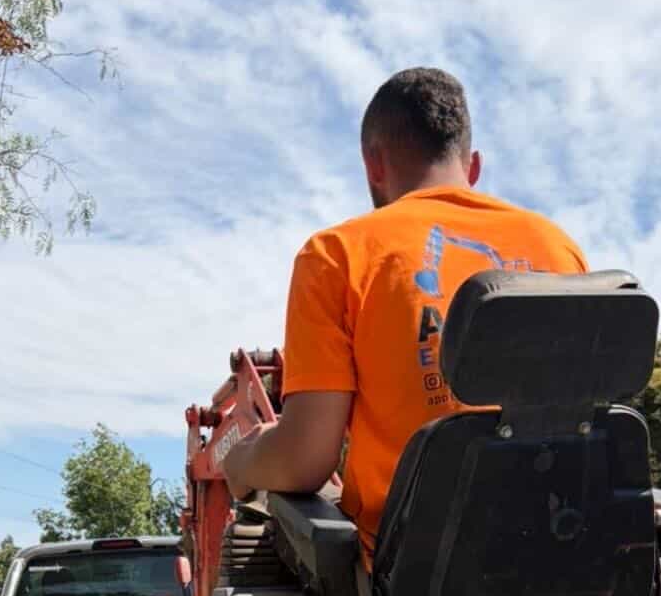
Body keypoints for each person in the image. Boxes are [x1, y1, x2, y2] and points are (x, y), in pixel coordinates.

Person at [220, 67, 588, 556]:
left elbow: (306, 460)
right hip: (563, 559)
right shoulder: (558, 248)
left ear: (374, 164)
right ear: (472, 166)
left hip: (417, 589)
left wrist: (241, 462)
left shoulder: (337, 255)